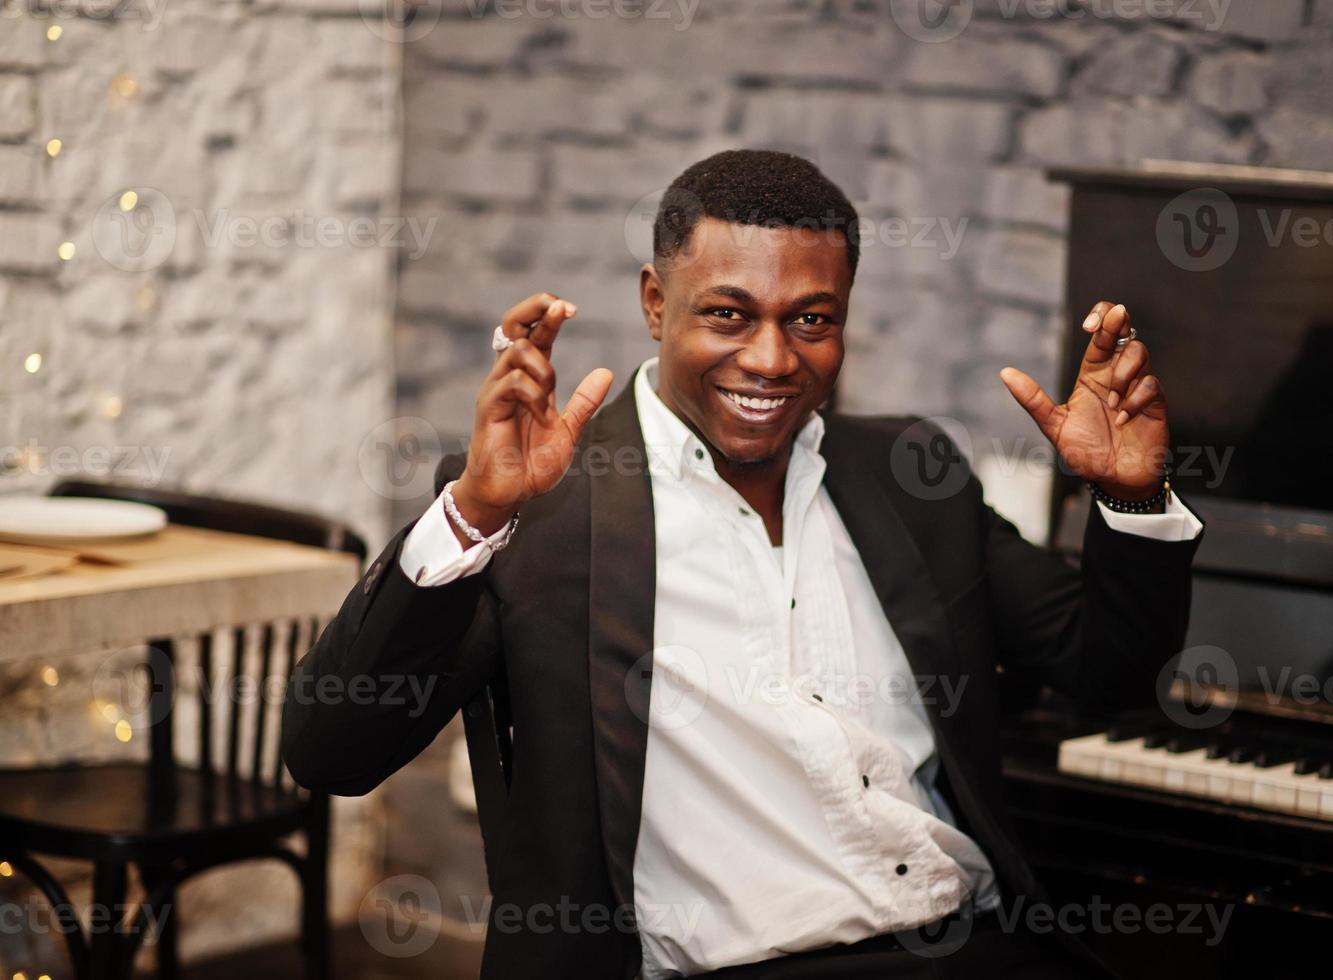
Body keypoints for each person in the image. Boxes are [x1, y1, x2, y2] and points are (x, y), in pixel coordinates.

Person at [283, 148, 1203, 979]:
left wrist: (1126, 498)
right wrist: (474, 515)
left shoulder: (909, 476)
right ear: (654, 302)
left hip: (970, 941)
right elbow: (331, 752)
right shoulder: (540, 511)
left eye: (811, 319)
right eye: (728, 314)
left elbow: (1108, 675)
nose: (771, 359)